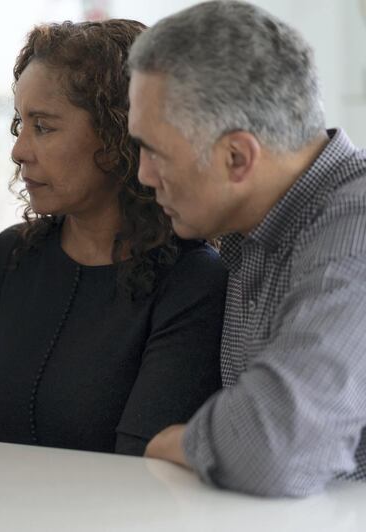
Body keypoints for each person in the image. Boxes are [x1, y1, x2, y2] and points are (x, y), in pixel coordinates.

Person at [0, 20, 227, 455]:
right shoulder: (8, 257)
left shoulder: (192, 280)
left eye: (44, 126)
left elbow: (138, 459)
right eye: (21, 123)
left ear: (118, 136)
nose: (18, 150)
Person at [127, 0, 366, 497]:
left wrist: (180, 440)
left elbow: (275, 448)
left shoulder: (354, 230)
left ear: (237, 157)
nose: (143, 176)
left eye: (154, 152)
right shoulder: (252, 228)